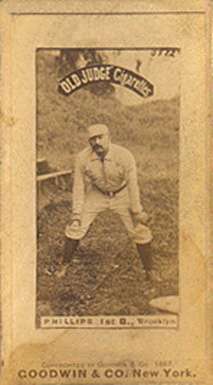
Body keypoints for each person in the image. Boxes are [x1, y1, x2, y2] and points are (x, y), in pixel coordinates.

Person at [54, 123, 161, 283]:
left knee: (140, 230)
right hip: (97, 194)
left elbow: (133, 184)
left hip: (122, 193)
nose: (96, 142)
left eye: (100, 137)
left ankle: (150, 271)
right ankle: (64, 266)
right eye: (92, 139)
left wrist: (137, 210)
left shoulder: (124, 155)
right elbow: (78, 186)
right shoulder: (82, 158)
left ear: (109, 137)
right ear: (88, 142)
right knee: (75, 227)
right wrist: (76, 213)